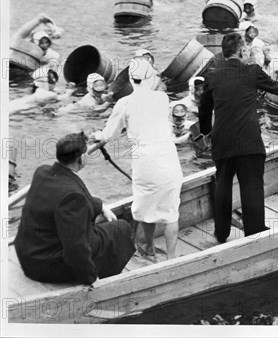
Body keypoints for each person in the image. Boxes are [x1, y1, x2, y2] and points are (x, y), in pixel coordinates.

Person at [198, 33, 278, 243]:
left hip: (222, 141)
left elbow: (204, 110)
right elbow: (275, 86)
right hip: (249, 142)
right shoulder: (252, 71)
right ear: (242, 51)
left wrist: (206, 133)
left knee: (222, 185)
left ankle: (221, 233)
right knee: (252, 186)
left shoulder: (212, 76)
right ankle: (254, 233)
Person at [14, 132, 135, 284]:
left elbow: (61, 197)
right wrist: (91, 278)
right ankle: (109, 272)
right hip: (47, 267)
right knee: (121, 228)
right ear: (82, 158)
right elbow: (75, 248)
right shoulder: (73, 197)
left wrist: (100, 205)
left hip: (28, 257)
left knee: (104, 229)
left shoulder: (42, 172)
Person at [92, 58, 183, 260]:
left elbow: (110, 134)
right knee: (171, 211)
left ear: (131, 80)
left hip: (145, 163)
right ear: (150, 77)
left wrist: (99, 136)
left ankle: (148, 247)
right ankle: (172, 257)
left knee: (145, 207)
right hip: (168, 159)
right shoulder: (162, 98)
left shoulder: (125, 103)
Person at [8, 63, 75, 114]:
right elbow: (64, 97)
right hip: (21, 106)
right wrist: (70, 90)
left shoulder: (39, 90)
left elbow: (55, 89)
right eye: (51, 79)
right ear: (44, 81)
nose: (54, 81)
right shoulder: (49, 94)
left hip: (20, 102)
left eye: (54, 77)